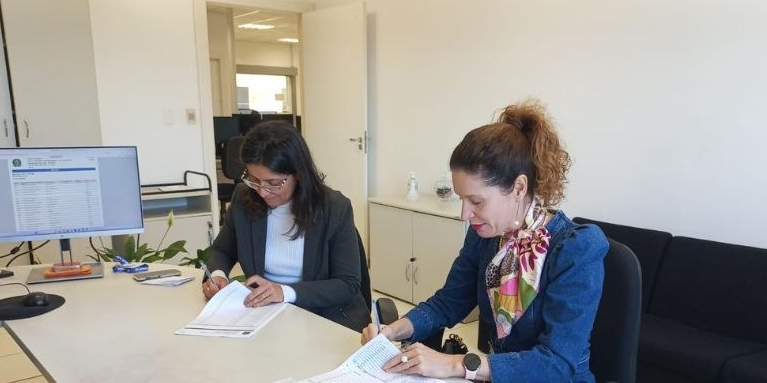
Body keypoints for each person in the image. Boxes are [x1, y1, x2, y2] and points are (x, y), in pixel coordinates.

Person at [361, 99, 609, 382]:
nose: (465, 214)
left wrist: (455, 364)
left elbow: (556, 363)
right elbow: (448, 302)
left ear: (518, 187)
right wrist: (394, 329)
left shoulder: (577, 248)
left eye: (476, 201)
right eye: (462, 199)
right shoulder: (487, 235)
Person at [203, 120, 371, 332]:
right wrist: (217, 275)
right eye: (254, 179)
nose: (262, 191)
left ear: (299, 174)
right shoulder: (244, 199)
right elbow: (222, 250)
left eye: (273, 183)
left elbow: (347, 284)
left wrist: (284, 292)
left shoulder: (334, 207)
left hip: (327, 319)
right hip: (266, 316)